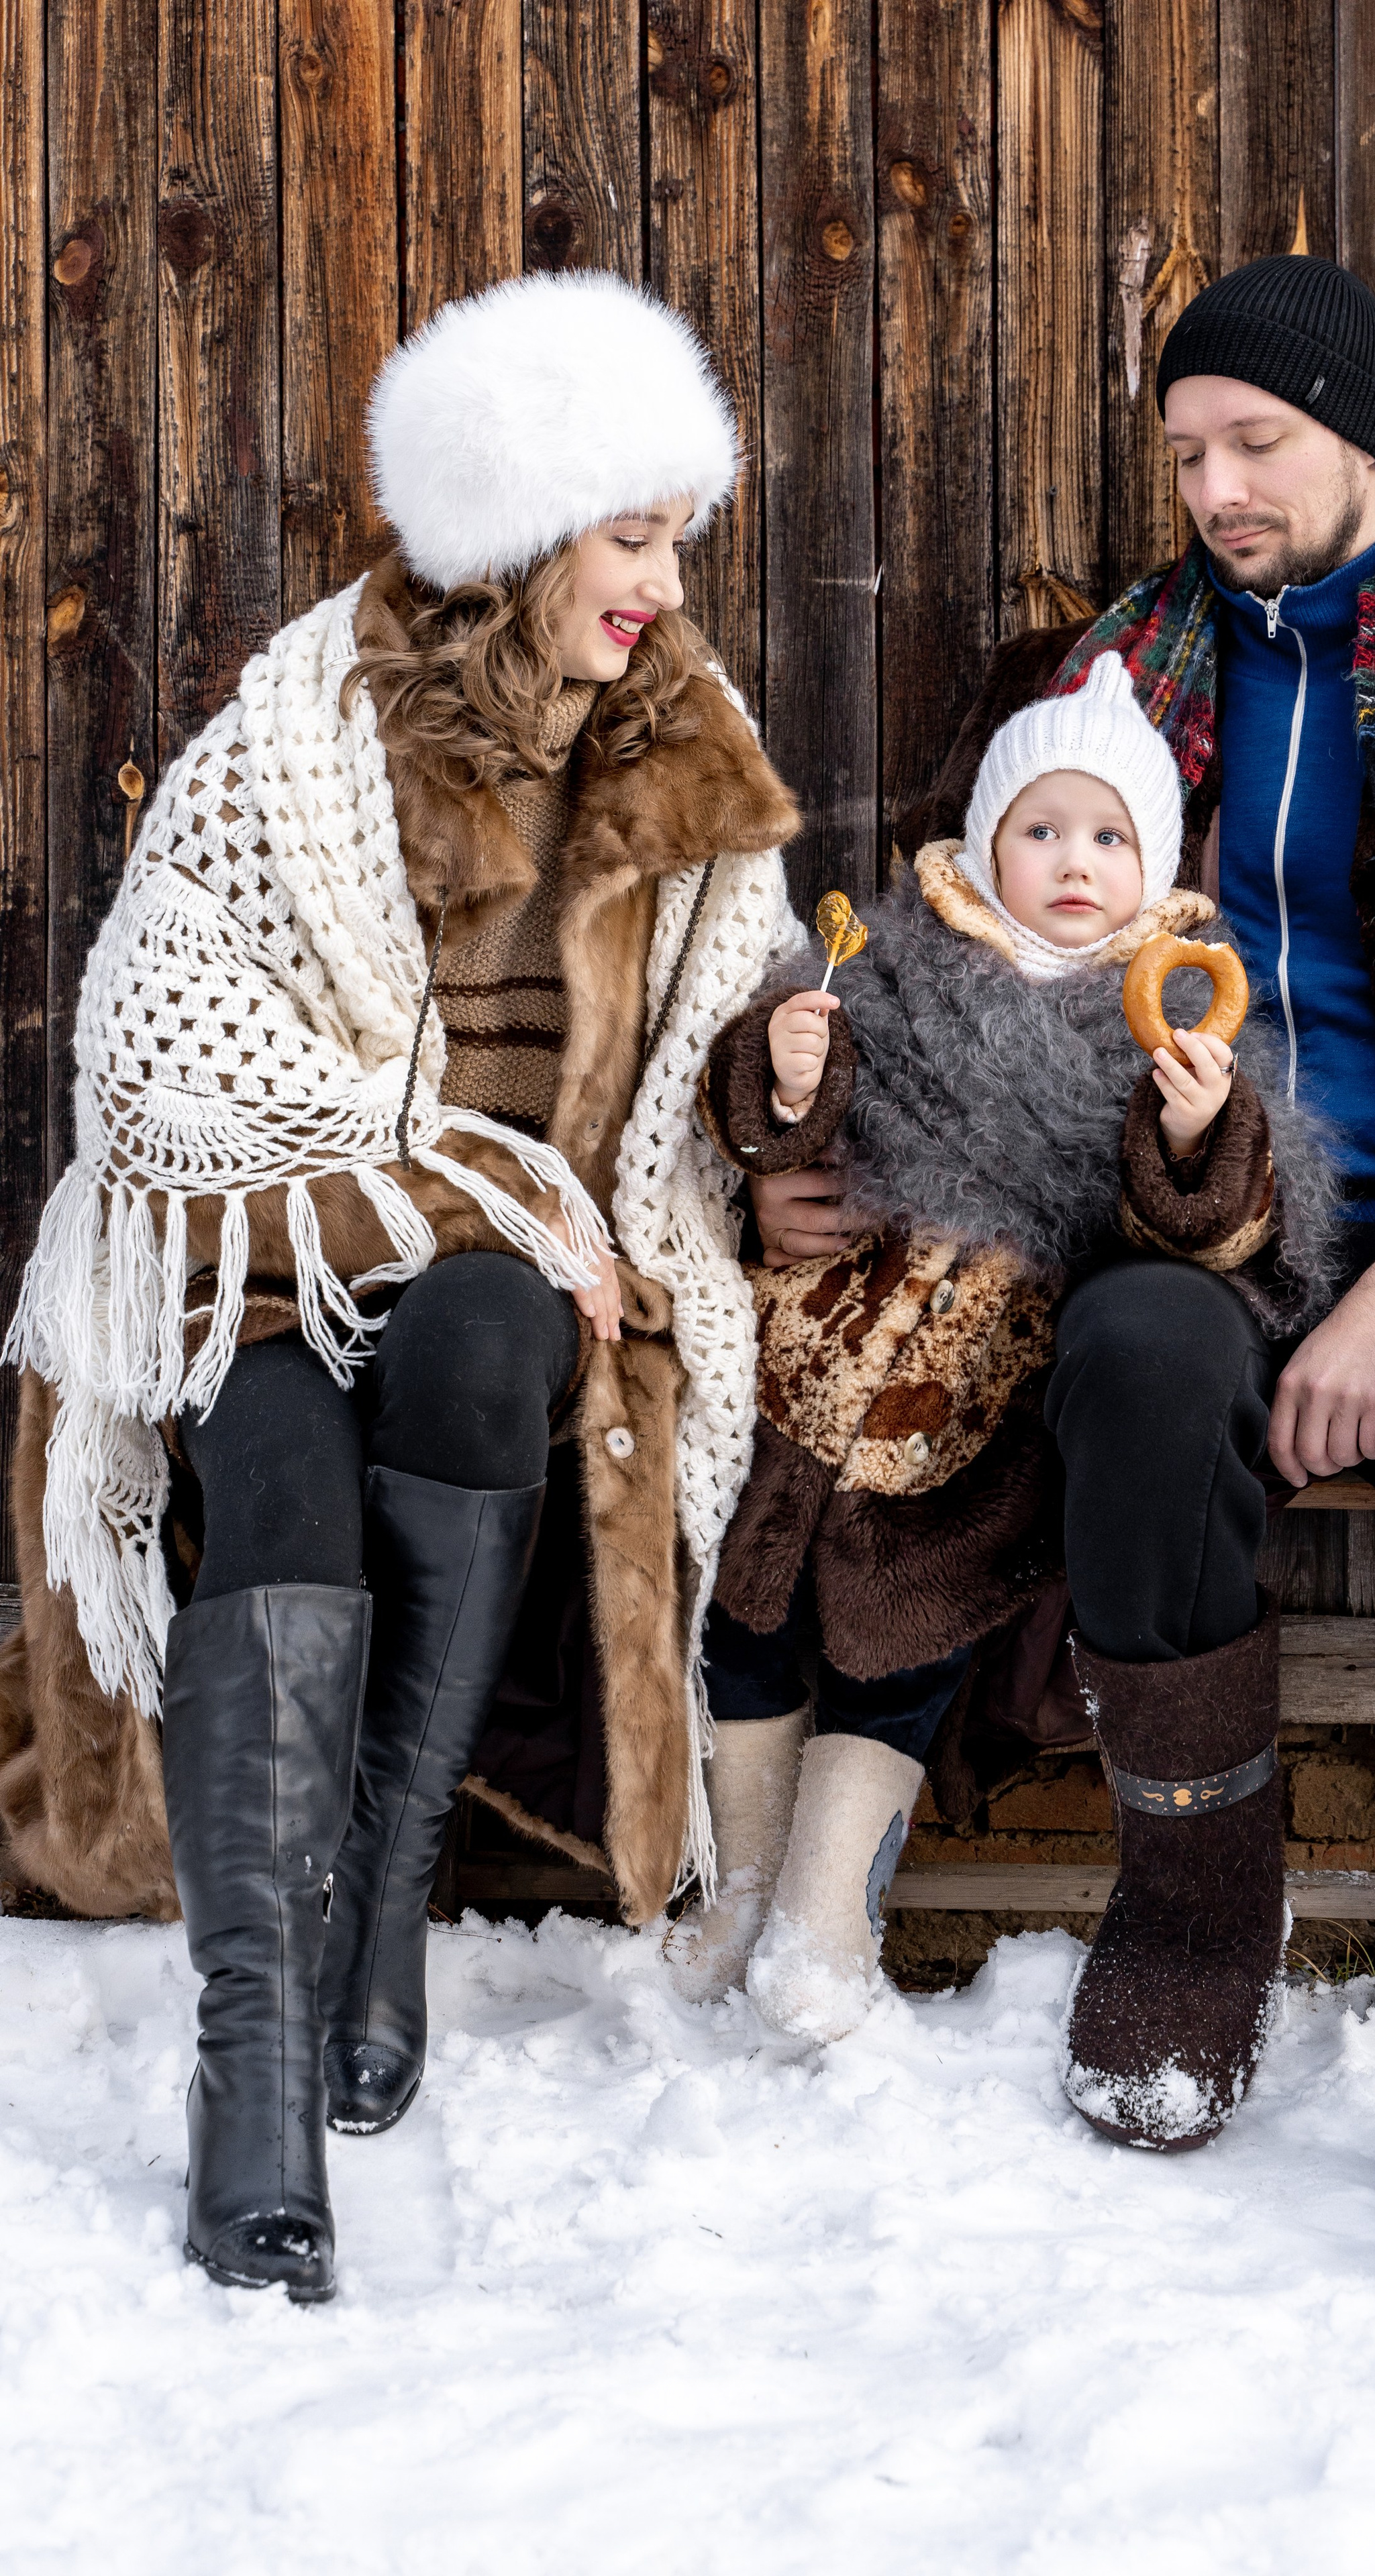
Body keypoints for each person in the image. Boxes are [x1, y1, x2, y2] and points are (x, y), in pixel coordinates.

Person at [805, 254, 1375, 2285]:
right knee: (1130, 1351)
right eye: (1189, 450)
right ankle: (1199, 1903)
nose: (1218, 488)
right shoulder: (1088, 697)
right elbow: (951, 960)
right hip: (1180, 1213)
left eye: (1260, 444)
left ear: (1358, 432)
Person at [0, 270, 805, 2300]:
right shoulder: (295, 732)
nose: (662, 581)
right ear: (524, 531)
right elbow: (152, 1051)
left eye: (676, 537)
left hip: (515, 1270)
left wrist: (788, 1068)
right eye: (634, 535)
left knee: (482, 1339)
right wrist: (433, 1168)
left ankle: (378, 1917)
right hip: (265, 1253)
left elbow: (718, 1065)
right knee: (272, 1466)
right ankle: (253, 2070)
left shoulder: (683, 762)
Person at [673, 649, 1336, 2041]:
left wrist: (1188, 1131)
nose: (1073, 861)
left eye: (1108, 836)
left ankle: (823, 1911)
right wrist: (785, 1080)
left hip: (972, 1410)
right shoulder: (896, 963)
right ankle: (735, 1880)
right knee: (747, 1615)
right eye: (1040, 829)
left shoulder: (1178, 1007)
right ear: (986, 843)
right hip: (812, 1370)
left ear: (1149, 858)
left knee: (896, 1641)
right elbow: (783, 1119)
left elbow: (1223, 1220)